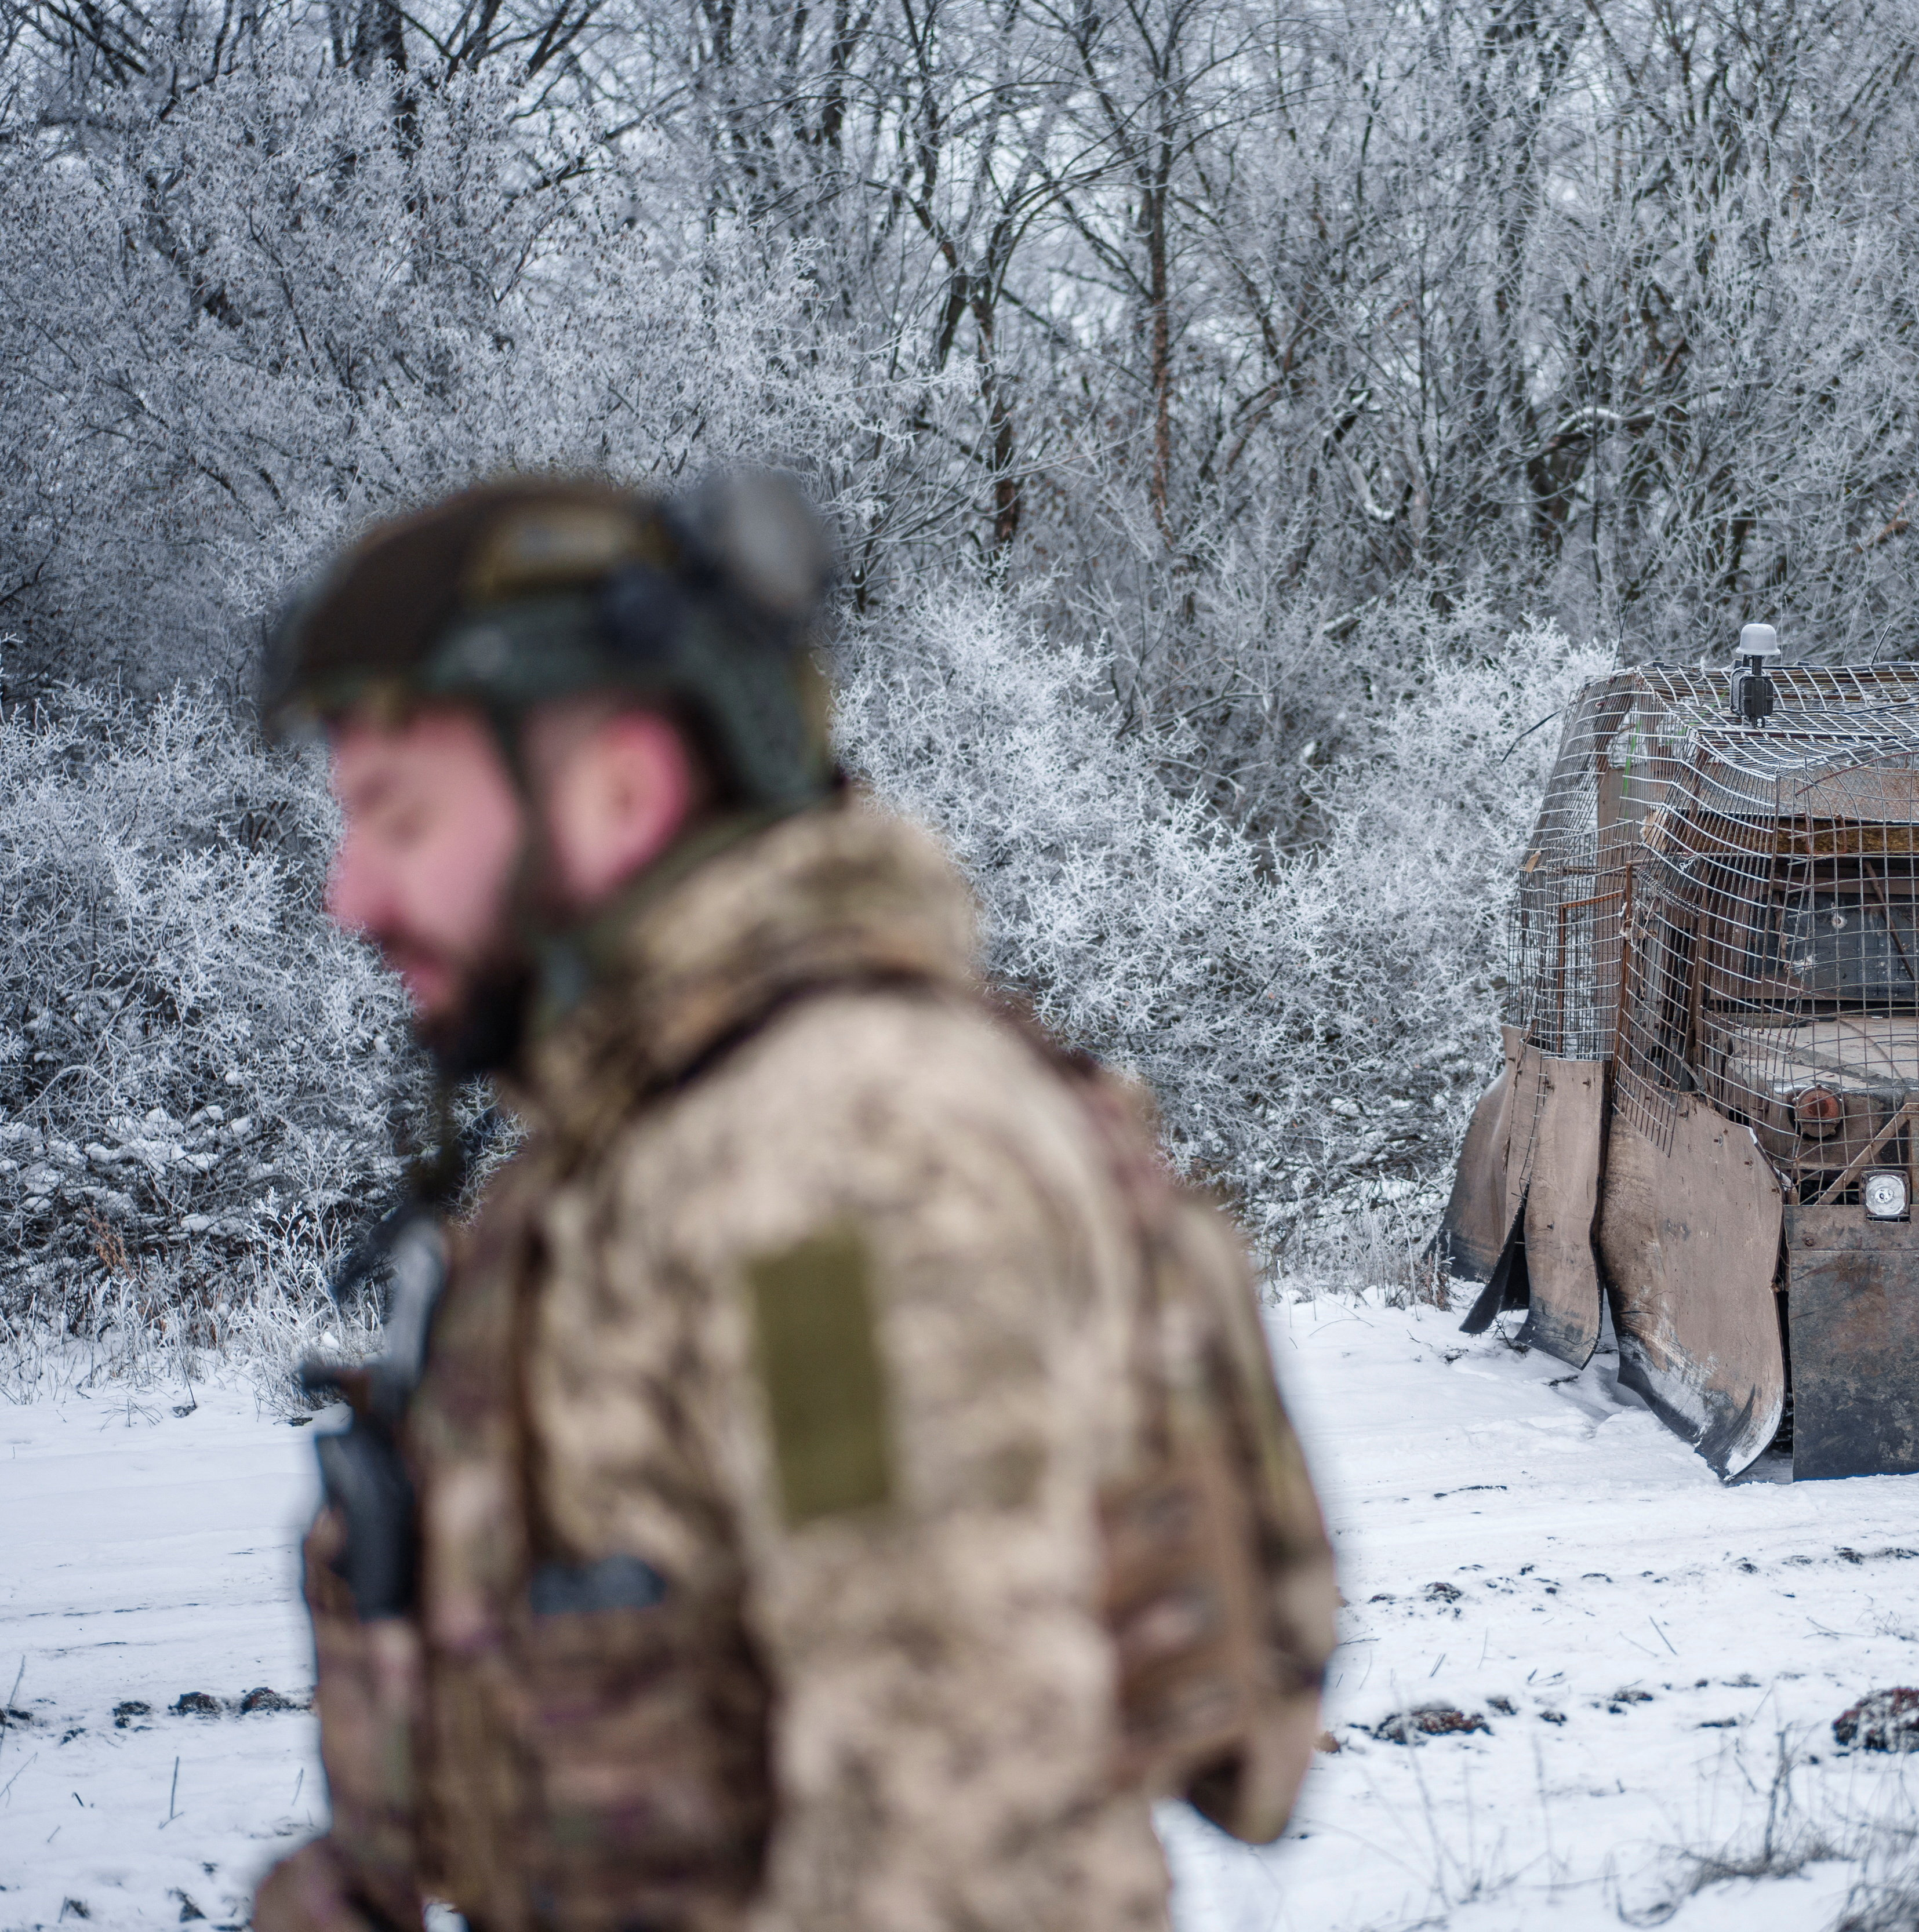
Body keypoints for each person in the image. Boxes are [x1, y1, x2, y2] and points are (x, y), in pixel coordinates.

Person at [251, 473, 1335, 1932]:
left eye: (399, 813)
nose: (350, 890)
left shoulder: (836, 1164)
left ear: (620, 791)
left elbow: (967, 1870)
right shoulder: (648, 1147)